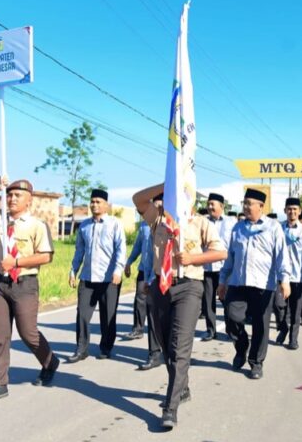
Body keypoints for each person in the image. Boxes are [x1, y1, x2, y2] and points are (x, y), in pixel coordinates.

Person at [132, 183, 227, 429]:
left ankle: (170, 407)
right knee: (166, 346)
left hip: (189, 287)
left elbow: (220, 253)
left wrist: (193, 258)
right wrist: (166, 181)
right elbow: (138, 199)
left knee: (180, 346)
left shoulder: (200, 222)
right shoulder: (158, 220)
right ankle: (182, 388)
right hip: (160, 287)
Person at [0, 177, 59, 406]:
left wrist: (17, 262)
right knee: (0, 336)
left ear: (29, 200)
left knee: (28, 334)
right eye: (9, 194)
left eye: (18, 195)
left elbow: (46, 256)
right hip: (0, 284)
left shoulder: (37, 225)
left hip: (25, 284)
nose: (12, 198)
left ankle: (49, 362)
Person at [218, 189, 291, 379]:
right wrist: (222, 281)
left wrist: (284, 280)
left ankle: (256, 362)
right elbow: (230, 258)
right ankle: (241, 348)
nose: (246, 206)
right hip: (238, 283)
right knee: (232, 317)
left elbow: (282, 255)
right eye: (244, 203)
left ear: (261, 206)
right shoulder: (237, 228)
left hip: (263, 285)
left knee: (261, 325)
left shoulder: (273, 227)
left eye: (250, 203)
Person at [68, 189, 126, 362]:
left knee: (108, 316)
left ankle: (106, 347)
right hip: (87, 278)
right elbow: (79, 250)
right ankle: (82, 348)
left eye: (98, 201)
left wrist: (118, 270)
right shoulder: (84, 225)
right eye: (92, 201)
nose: (94, 204)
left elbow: (120, 249)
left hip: (109, 278)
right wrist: (73, 270)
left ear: (106, 205)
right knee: (83, 315)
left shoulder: (115, 224)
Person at [128, 194, 164, 371]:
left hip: (159, 274)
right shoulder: (143, 225)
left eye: (159, 202)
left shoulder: (168, 225)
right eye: (154, 202)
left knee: (158, 315)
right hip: (144, 270)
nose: (156, 205)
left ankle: (169, 350)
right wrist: (129, 262)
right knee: (144, 305)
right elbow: (137, 246)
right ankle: (154, 353)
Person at [276, 197, 302, 349]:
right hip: (280, 276)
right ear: (285, 210)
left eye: (295, 209)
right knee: (278, 306)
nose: (292, 212)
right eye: (289, 209)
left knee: (295, 309)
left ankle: (293, 338)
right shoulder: (278, 228)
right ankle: (283, 327)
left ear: (299, 211)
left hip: (298, 276)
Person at [201, 192, 236, 341]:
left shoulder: (231, 222)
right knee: (208, 301)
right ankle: (211, 330)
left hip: (225, 269)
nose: (209, 207)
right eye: (208, 204)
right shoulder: (202, 221)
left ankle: (230, 330)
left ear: (221, 207)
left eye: (212, 204)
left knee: (227, 301)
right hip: (208, 268)